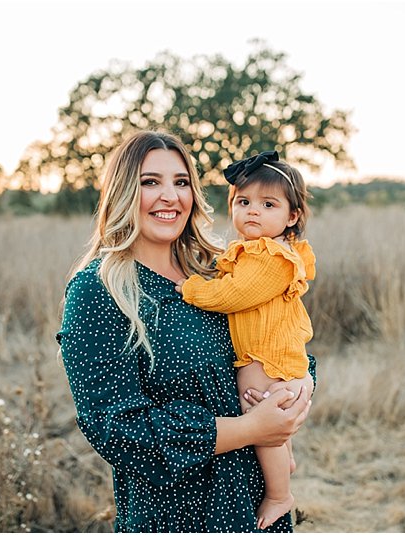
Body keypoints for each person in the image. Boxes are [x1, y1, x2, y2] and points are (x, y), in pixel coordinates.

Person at [56, 130, 315, 533]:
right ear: (122, 192)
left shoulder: (220, 271)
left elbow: (281, 337)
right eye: (150, 182)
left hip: (256, 507)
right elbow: (115, 428)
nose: (170, 197)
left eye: (181, 182)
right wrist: (250, 428)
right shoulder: (99, 291)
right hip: (178, 513)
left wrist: (301, 389)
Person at [175, 151, 315, 529]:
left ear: (292, 216)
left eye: (268, 204)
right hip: (271, 354)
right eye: (243, 202)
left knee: (260, 416)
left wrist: (191, 289)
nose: (253, 211)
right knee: (270, 414)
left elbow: (234, 295)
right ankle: (284, 459)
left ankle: (279, 493)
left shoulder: (271, 257)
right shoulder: (252, 251)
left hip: (264, 358)